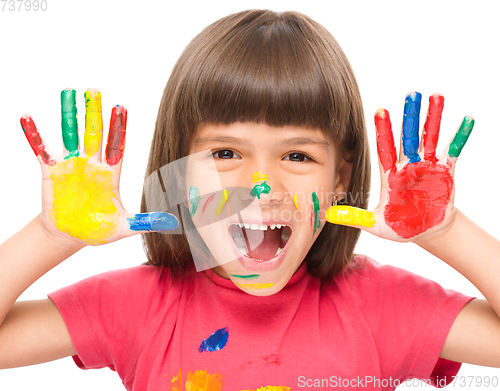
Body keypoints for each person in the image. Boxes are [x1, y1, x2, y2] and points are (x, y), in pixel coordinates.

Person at [1, 9, 499, 391]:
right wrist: (50, 237)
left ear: (341, 178)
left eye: (298, 156)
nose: (262, 184)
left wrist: (446, 231)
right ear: (177, 172)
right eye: (225, 152)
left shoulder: (381, 306)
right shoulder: (138, 305)